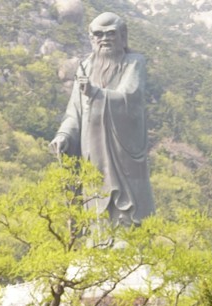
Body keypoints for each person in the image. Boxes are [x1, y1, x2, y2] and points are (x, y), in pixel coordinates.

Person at [50, 12, 155, 225]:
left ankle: (125, 230)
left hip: (121, 151)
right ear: (91, 39)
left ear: (123, 36)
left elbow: (130, 96)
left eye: (111, 33)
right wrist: (64, 135)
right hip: (91, 149)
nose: (104, 39)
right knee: (94, 197)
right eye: (98, 34)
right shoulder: (86, 67)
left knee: (124, 209)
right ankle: (96, 237)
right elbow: (74, 112)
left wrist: (95, 92)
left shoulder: (134, 63)